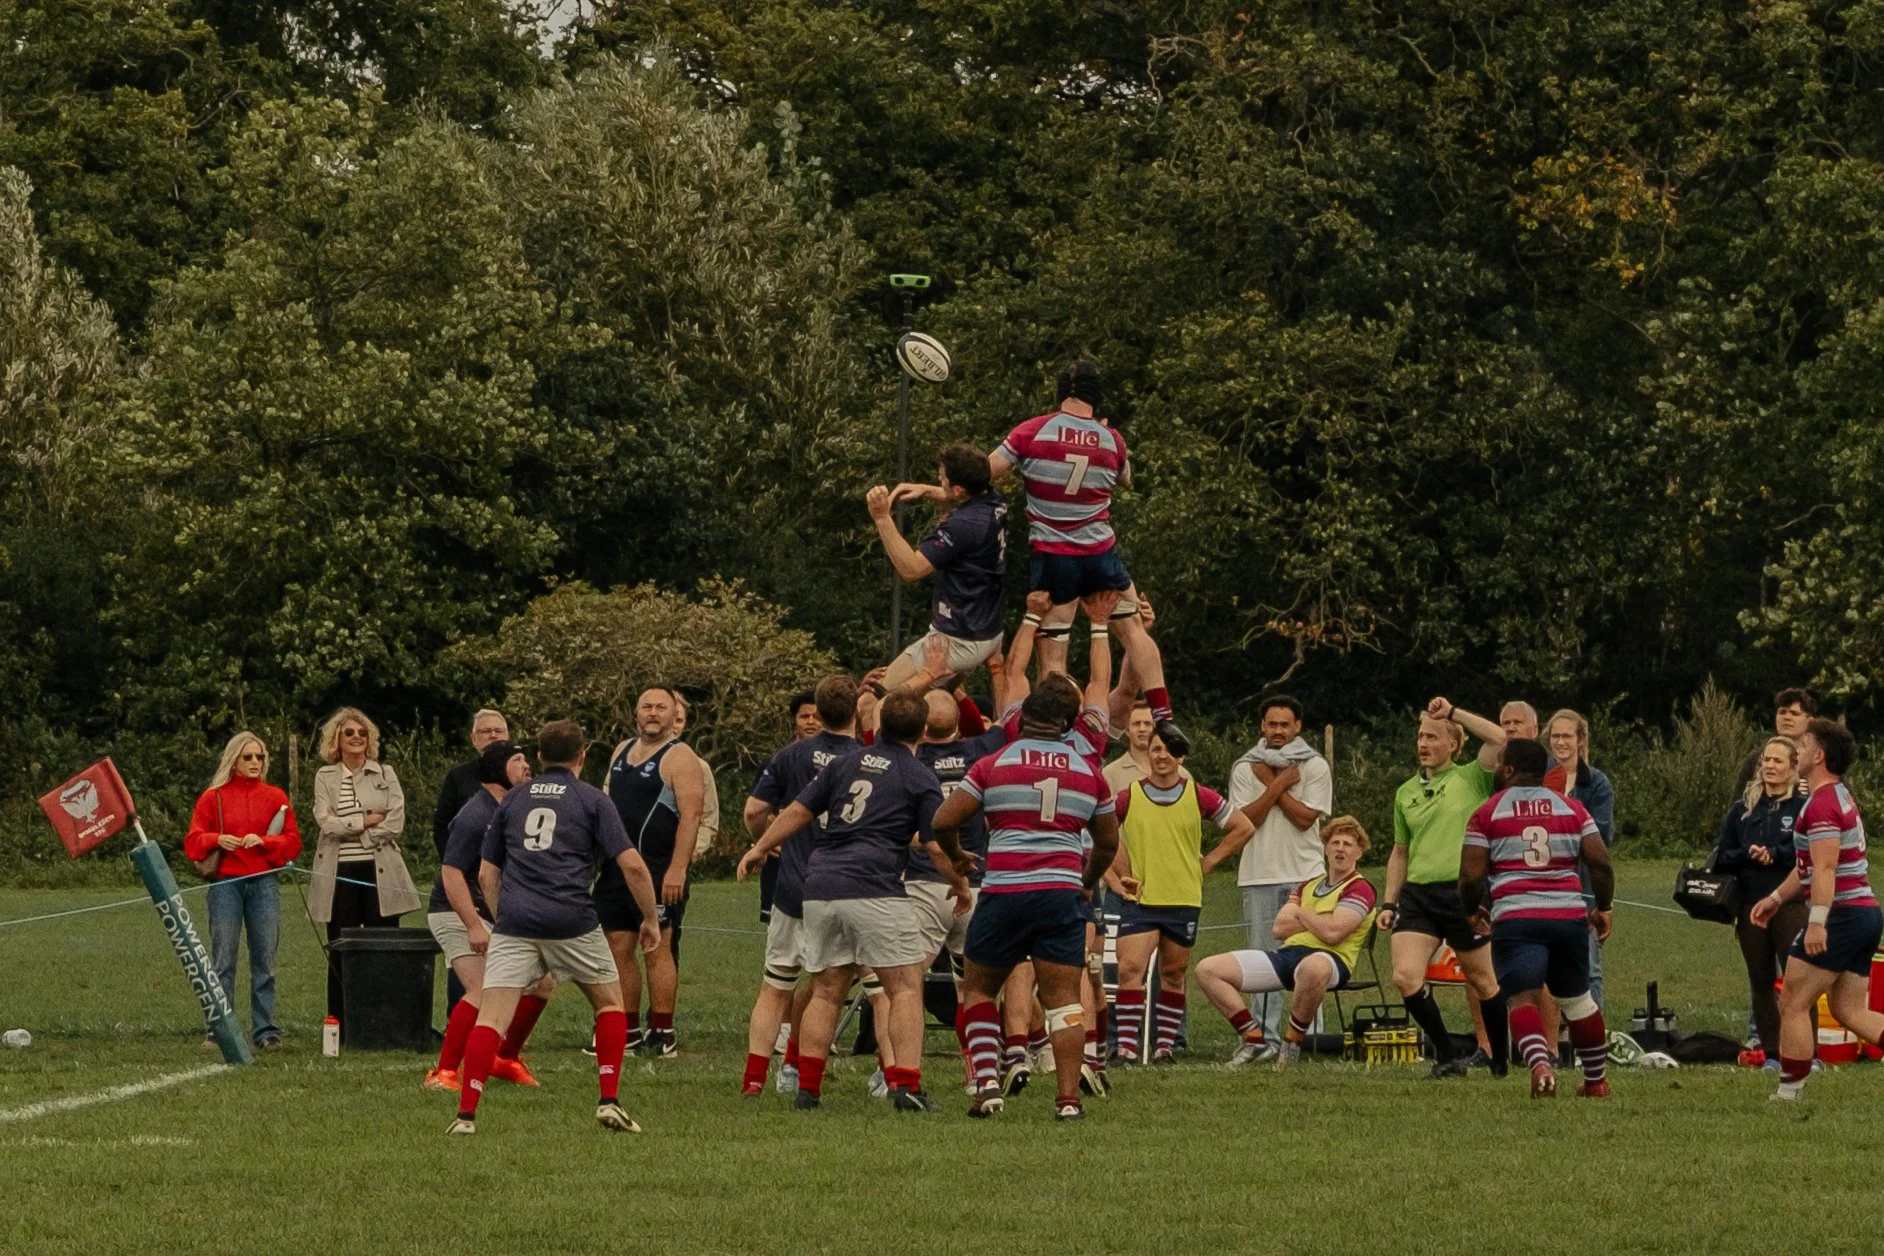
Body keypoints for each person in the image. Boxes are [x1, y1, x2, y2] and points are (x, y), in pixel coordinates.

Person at [906, 359, 1182, 745]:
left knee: (1053, 655)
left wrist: (937, 491)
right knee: (1134, 631)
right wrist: (1106, 437)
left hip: (1055, 558)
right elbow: (1127, 479)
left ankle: (1051, 732)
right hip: (1101, 552)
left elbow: (982, 476)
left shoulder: (1032, 431)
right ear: (1095, 397)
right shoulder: (1112, 440)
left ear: (1059, 392)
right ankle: (1164, 716)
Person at [737, 692, 969, 1112]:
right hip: (874, 887)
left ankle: (807, 1090)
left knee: (826, 989)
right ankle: (906, 1087)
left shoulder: (845, 763)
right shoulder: (918, 776)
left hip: (821, 886)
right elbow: (935, 846)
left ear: (878, 728)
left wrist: (760, 846)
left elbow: (797, 811)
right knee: (904, 988)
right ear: (920, 731)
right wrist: (960, 881)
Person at [449, 720, 662, 1136]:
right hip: (573, 919)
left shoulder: (512, 800)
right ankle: (609, 1100)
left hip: (516, 922)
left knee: (491, 1017)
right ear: (582, 756)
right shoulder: (592, 799)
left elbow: (487, 872)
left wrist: (502, 917)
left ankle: (466, 1115)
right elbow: (633, 865)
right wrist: (650, 919)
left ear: (540, 757)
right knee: (609, 1004)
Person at [936, 677, 1124, 1122]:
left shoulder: (993, 763)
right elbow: (1108, 841)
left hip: (1004, 892)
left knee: (980, 988)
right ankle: (1068, 1102)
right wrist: (1087, 879)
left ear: (1022, 718)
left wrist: (957, 855)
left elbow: (943, 819)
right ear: (1068, 722)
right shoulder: (1088, 772)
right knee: (1064, 1000)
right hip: (1060, 894)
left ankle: (985, 1085)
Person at [1459, 738, 1615, 1098]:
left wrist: (1471, 911)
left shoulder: (1488, 812)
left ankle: (1540, 1064)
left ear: (1510, 769)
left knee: (1521, 998)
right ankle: (1596, 1081)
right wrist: (1603, 907)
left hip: (1517, 917)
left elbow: (1470, 876)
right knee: (1578, 1001)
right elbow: (1601, 862)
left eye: (1499, 763)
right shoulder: (1572, 808)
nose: (1496, 768)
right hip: (1568, 917)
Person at [737, 675, 860, 1097]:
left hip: (792, 888)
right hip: (843, 888)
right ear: (856, 712)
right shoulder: (865, 758)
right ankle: (803, 1073)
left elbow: (754, 810)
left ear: (817, 715)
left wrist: (767, 840)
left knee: (775, 986)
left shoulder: (791, 754)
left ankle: (753, 1081)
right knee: (832, 987)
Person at [1751, 719, 1884, 1100]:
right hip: (1863, 913)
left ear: (1820, 754)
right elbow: (1810, 866)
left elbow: (1825, 868)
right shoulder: (1836, 795)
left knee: (1793, 1000)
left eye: (1804, 744)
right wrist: (1776, 899)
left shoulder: (1823, 804)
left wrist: (1817, 924)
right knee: (1848, 1010)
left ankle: (1789, 1093)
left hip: (1841, 914)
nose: (1798, 751)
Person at [1379, 696, 1510, 1079]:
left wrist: (1452, 713)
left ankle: (1500, 1060)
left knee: (1483, 980)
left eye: (1433, 737)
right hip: (1419, 896)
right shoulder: (1405, 792)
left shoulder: (1471, 777)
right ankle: (1449, 1055)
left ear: (1453, 744)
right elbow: (1400, 852)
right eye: (1420, 736)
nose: (1424, 744)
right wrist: (1389, 902)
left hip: (1463, 892)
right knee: (1404, 976)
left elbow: (1500, 739)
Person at [1109, 731, 1253, 1064]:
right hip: (1141, 900)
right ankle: (1127, 1047)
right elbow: (1102, 827)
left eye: (1169, 750)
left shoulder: (1200, 796)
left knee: (1173, 974)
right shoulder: (1129, 796)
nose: (1162, 755)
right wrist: (1123, 869)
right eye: (1156, 748)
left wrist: (1210, 861)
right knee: (1130, 968)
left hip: (1183, 897)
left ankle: (1165, 1046)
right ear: (1148, 753)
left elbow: (1243, 827)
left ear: (1181, 757)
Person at [1196, 816, 1378, 1067]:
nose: (1340, 849)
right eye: (1335, 842)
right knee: (1208, 969)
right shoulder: (1308, 886)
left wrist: (1302, 913)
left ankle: (1292, 1043)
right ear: (1325, 848)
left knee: (1313, 966)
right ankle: (1253, 1039)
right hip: (1289, 953)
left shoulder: (1360, 888)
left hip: (1331, 960)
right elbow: (1279, 928)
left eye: (1348, 844)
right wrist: (1321, 918)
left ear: (1359, 851)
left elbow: (1333, 934)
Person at [424, 741, 551, 1092]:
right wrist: (473, 925)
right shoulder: (475, 814)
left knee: (543, 982)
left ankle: (504, 1059)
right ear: (498, 769)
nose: (526, 766)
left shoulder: (515, 807)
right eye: (517, 760)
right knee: (483, 989)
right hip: (455, 911)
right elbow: (451, 874)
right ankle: (443, 1072)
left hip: (496, 912)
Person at [598, 687, 705, 1058]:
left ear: (674, 715)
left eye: (661, 707)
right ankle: (626, 1029)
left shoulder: (681, 757)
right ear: (636, 713)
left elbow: (692, 815)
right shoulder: (621, 751)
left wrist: (677, 869)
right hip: (617, 869)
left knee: (656, 946)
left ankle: (663, 1031)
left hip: (659, 869)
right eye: (647, 707)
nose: (653, 713)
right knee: (617, 947)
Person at [1225, 694, 1333, 1048]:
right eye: (1272, 724)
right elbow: (1245, 822)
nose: (1278, 731)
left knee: (1308, 957)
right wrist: (1276, 784)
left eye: (1285, 725)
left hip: (1306, 875)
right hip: (1258, 874)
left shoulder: (1314, 766)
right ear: (1261, 726)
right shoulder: (1245, 768)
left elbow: (1305, 819)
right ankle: (1265, 1038)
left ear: (1297, 727)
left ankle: (1309, 1037)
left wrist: (1275, 784)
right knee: (1261, 961)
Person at [183, 732, 301, 1051]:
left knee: (265, 958)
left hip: (265, 884)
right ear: (234, 759)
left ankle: (265, 1030)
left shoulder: (276, 797)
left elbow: (292, 843)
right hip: (225, 885)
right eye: (247, 757)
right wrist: (217, 839)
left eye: (259, 757)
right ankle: (219, 1029)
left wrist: (266, 841)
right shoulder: (213, 797)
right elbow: (193, 841)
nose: (254, 763)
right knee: (223, 958)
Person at [310, 708, 421, 1026]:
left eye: (362, 732)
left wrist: (362, 831)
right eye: (349, 733)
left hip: (379, 871)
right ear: (337, 740)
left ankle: (385, 1021)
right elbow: (326, 822)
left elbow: (395, 821)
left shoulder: (385, 773)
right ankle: (341, 1022)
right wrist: (364, 819)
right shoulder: (325, 777)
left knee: (384, 947)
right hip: (338, 874)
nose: (356, 737)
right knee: (342, 948)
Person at [867, 441, 1009, 691]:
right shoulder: (994, 500)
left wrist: (881, 517)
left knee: (875, 699)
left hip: (958, 637)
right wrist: (927, 490)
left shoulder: (962, 526)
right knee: (935, 706)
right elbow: (962, 497)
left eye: (942, 477)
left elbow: (911, 569)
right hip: (986, 626)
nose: (938, 477)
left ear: (957, 489)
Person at [912, 689, 1008, 1013]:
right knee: (974, 989)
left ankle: (893, 1064)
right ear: (959, 720)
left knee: (905, 986)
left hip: (923, 880)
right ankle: (978, 1062)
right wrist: (991, 672)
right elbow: (1009, 708)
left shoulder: (909, 757)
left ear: (922, 724)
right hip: (976, 880)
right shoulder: (981, 750)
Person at [1713, 735, 1807, 1062]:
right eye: (1766, 760)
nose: (1769, 766)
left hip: (1790, 904)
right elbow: (1722, 855)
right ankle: (1771, 1054)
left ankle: (1808, 1054)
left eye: (1778, 761)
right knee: (1761, 980)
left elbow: (1806, 852)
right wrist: (1750, 855)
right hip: (1749, 904)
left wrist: (1775, 855)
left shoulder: (1802, 808)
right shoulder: (1743, 809)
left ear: (1794, 767)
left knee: (1798, 981)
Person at [431, 709, 510, 1015]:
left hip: (499, 884)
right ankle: (458, 1023)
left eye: (498, 730)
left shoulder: (519, 783)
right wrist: (454, 867)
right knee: (468, 962)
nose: (493, 735)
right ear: (474, 738)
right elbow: (443, 825)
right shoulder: (461, 778)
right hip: (463, 882)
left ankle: (502, 1040)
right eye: (486, 731)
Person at [1542, 708, 1616, 1020]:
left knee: (1588, 969)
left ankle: (1592, 1038)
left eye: (1566, 736)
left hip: (1582, 890)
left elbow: (1601, 837)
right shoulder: (1538, 779)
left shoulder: (1596, 783)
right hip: (1542, 886)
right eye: (1555, 736)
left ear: (1580, 740)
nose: (1560, 742)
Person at [760, 691, 822, 926]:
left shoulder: (842, 759)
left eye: (816, 716)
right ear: (794, 721)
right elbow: (759, 807)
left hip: (823, 850)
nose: (811, 722)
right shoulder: (780, 760)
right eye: (804, 716)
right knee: (778, 934)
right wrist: (766, 837)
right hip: (785, 856)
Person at [1734, 687, 1818, 793]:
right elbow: (1738, 802)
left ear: (1810, 721)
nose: (1787, 717)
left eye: (1794, 713)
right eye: (1782, 712)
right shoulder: (1757, 759)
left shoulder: (1819, 759)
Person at [1103, 703, 1157, 794]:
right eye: (1136, 724)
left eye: (1147, 724)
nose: (1142, 729)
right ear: (1127, 731)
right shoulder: (1110, 774)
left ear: (1155, 729)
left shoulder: (1177, 773)